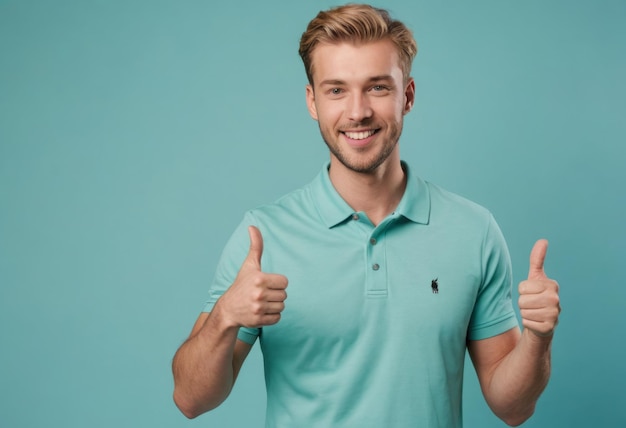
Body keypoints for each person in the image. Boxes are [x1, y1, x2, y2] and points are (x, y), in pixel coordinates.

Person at [172, 4, 561, 427]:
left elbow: (513, 408)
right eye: (336, 90)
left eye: (377, 88)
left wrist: (538, 340)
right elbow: (191, 399)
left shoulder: (473, 230)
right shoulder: (263, 237)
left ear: (407, 96)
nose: (357, 112)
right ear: (313, 102)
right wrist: (225, 316)